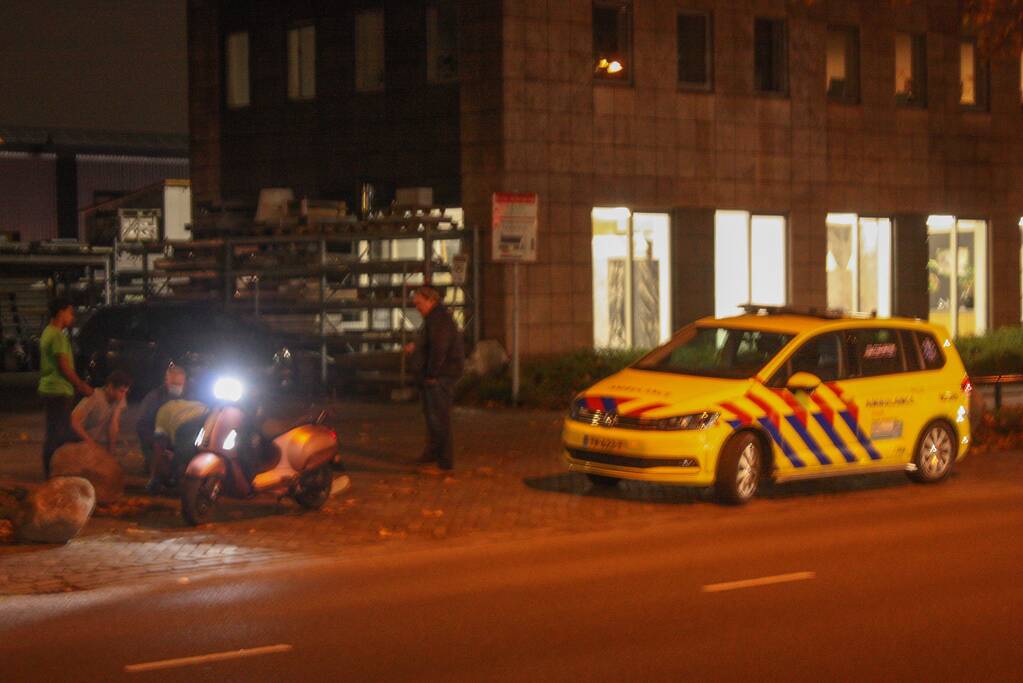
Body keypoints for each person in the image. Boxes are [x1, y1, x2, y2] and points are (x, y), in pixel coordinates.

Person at [404, 285, 464, 471]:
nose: (417, 307)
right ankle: (433, 454)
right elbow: (434, 345)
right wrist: (417, 348)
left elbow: (439, 349)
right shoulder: (435, 318)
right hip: (438, 374)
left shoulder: (438, 320)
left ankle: (444, 462)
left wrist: (431, 374)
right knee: (433, 419)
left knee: (438, 419)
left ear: (431, 300)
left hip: (439, 376)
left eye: (419, 303)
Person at [38, 297, 93, 477]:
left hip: (50, 389)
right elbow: (64, 367)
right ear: (61, 312)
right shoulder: (57, 336)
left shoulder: (47, 332)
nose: (72, 317)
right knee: (57, 434)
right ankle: (51, 474)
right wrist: (81, 385)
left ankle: (56, 471)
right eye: (70, 312)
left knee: (58, 431)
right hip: (59, 390)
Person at [148, 398, 210, 491]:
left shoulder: (161, 414)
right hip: (207, 417)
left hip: (185, 425)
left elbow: (159, 448)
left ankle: (179, 480)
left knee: (183, 458)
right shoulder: (179, 404)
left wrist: (154, 478)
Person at [136, 364, 187, 472]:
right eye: (174, 384)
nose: (177, 387)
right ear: (166, 381)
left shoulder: (188, 396)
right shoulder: (154, 398)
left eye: (179, 384)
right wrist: (159, 447)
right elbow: (142, 426)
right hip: (158, 442)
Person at [69, 369, 132, 452]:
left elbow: (114, 425)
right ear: (110, 387)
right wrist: (91, 443)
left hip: (90, 443)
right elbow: (73, 421)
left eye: (126, 392)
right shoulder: (94, 397)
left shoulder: (119, 398)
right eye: (121, 391)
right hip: (73, 441)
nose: (123, 395)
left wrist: (111, 451)